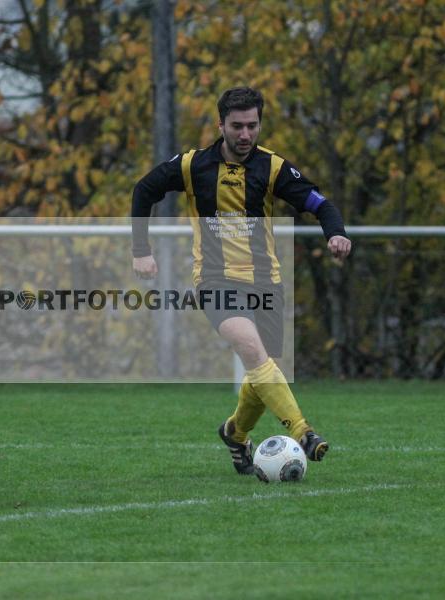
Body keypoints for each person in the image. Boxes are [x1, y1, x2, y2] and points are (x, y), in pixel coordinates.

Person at [131, 87, 352, 477]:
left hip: (267, 283)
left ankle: (236, 434)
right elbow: (144, 190)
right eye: (237, 126)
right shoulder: (192, 166)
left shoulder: (273, 168)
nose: (245, 134)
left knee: (264, 370)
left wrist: (335, 232)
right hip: (215, 281)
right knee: (250, 349)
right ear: (221, 125)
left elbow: (320, 204)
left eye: (252, 125)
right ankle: (303, 432)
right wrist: (140, 249)